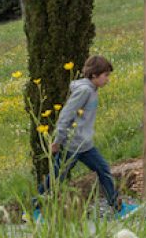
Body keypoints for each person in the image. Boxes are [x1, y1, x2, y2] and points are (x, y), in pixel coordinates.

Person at [35, 55, 137, 222]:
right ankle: (35, 209)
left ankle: (118, 208)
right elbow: (65, 115)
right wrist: (58, 141)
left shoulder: (92, 90)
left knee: (103, 170)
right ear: (94, 75)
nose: (108, 80)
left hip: (85, 145)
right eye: (106, 75)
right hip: (72, 144)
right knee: (56, 178)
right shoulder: (84, 91)